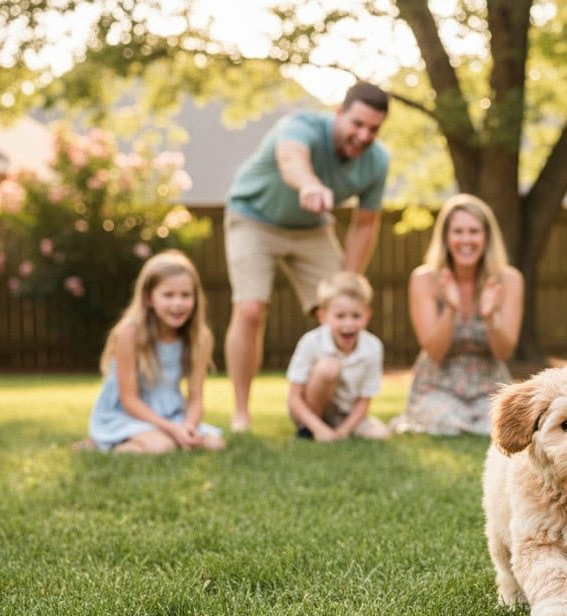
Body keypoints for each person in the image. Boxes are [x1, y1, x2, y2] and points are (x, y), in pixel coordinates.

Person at [223, 81, 391, 433]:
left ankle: (333, 412)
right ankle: (241, 412)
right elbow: (291, 159)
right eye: (357, 124)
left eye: (373, 129)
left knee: (342, 312)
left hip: (312, 229)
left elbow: (365, 224)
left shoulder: (377, 162)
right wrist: (309, 184)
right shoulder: (300, 125)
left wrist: (349, 279)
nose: (363, 135)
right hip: (253, 217)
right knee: (251, 308)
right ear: (339, 114)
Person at [392, 194, 524, 436]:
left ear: (486, 237)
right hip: (437, 384)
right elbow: (435, 350)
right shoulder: (424, 279)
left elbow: (504, 352)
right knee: (446, 422)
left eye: (474, 231)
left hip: (489, 384)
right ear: (445, 237)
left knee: (493, 425)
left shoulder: (509, 280)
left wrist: (490, 316)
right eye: (458, 231)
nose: (466, 239)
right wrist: (451, 309)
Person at [83, 250, 225, 453]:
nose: (177, 304)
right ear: (149, 298)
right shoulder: (129, 334)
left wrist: (188, 427)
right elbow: (129, 401)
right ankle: (105, 443)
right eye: (168, 295)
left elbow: (195, 398)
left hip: (172, 415)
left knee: (214, 444)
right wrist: (172, 430)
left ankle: (159, 437)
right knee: (161, 446)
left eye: (185, 295)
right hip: (126, 415)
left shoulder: (200, 338)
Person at [286, 271, 390, 442]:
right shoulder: (311, 342)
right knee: (329, 367)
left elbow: (364, 401)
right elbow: (294, 398)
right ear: (323, 316)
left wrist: (343, 432)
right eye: (340, 316)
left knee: (380, 434)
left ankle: (332, 430)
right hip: (309, 413)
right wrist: (319, 428)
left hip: (345, 415)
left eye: (356, 316)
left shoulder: (373, 347)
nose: (348, 324)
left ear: (367, 316)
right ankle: (309, 430)